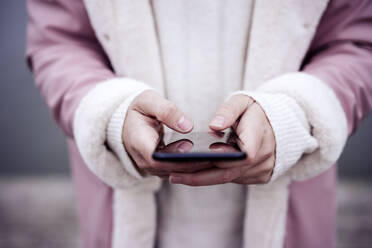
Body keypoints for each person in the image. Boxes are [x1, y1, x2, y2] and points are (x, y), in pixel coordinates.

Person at [26, 0, 372, 247]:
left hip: (290, 221)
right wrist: (112, 112)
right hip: (122, 220)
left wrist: (294, 115)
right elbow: (60, 41)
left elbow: (355, 42)